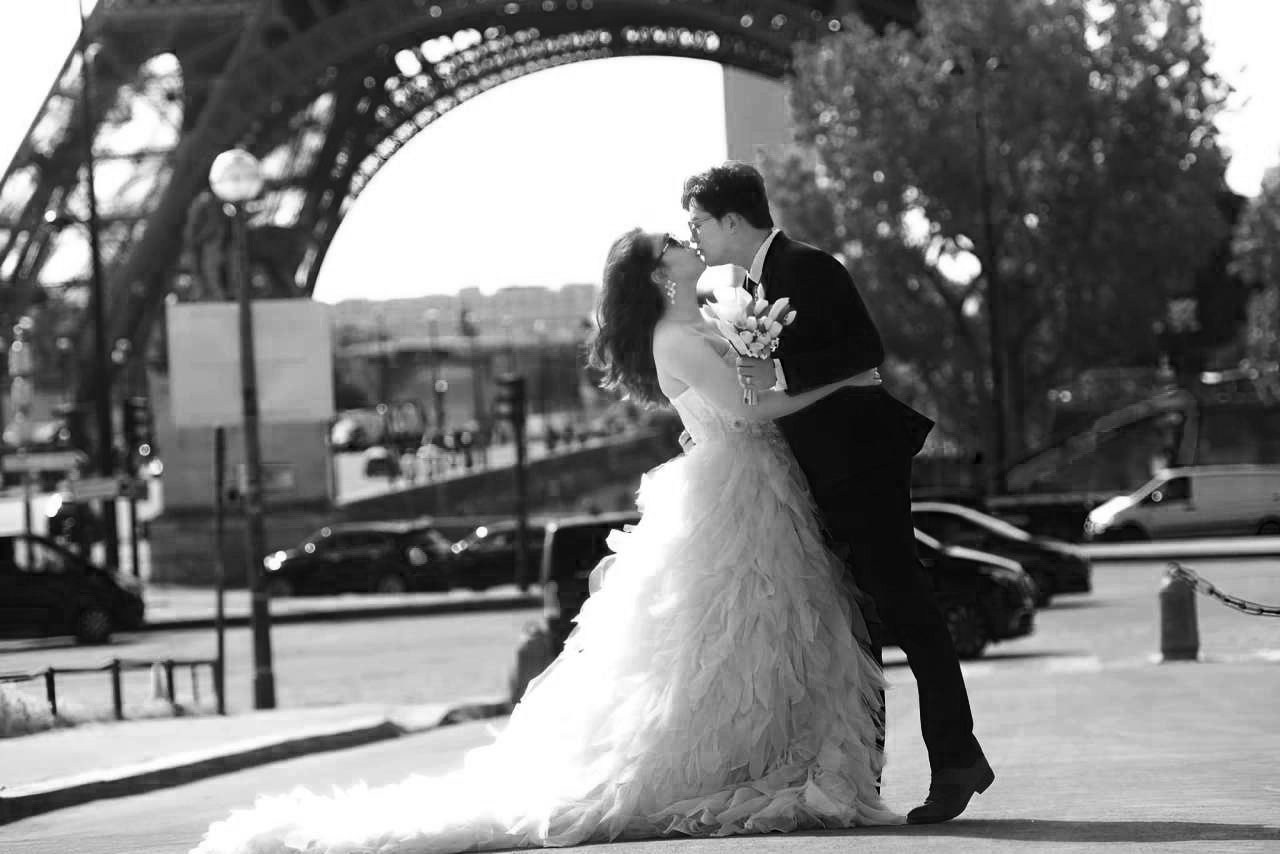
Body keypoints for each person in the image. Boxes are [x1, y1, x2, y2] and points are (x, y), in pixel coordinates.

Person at [191, 230, 898, 854]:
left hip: (750, 483)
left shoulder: (698, 323)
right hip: (740, 487)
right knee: (734, 638)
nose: (687, 243)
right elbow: (747, 406)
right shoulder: (678, 336)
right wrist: (838, 381)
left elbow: (732, 398)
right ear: (660, 275)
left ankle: (763, 756)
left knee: (755, 638)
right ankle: (747, 764)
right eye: (672, 244)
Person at [682, 161, 993, 824]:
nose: (694, 235)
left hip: (861, 461)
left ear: (732, 219)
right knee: (863, 623)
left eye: (699, 222)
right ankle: (867, 774)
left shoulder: (808, 266)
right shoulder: (761, 280)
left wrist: (774, 368)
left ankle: (956, 760)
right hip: (830, 466)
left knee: (906, 608)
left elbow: (864, 349)